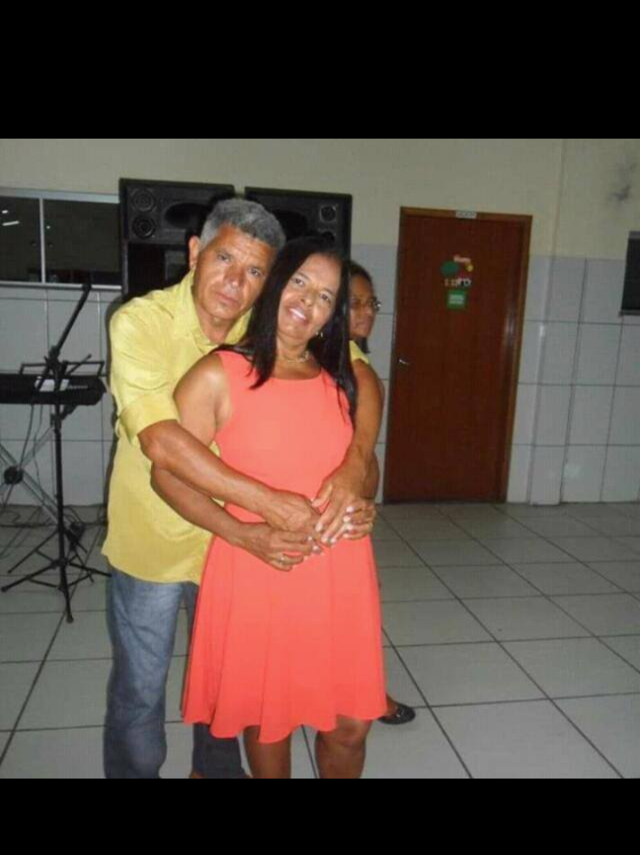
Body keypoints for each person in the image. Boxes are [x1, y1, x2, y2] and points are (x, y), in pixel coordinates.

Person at [102, 199, 378, 779]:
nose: (236, 281)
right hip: (162, 537)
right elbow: (162, 445)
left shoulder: (280, 325)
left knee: (233, 697)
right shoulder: (141, 323)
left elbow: (360, 375)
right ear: (195, 253)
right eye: (225, 259)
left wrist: (357, 467)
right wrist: (264, 512)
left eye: (255, 270)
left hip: (251, 555)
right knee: (141, 691)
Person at [348, 260, 417, 727]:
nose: (367, 311)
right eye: (353, 303)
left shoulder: (354, 359)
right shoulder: (336, 365)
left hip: (351, 513)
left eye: (371, 302)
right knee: (352, 612)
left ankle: (362, 691)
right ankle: (367, 696)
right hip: (333, 516)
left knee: (356, 609)